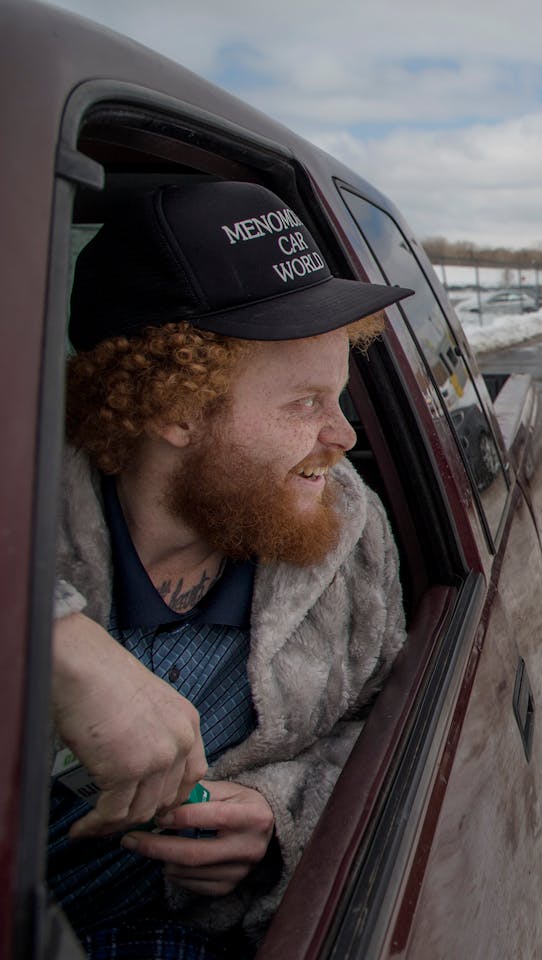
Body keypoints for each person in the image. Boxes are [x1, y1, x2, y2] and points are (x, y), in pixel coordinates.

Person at [50, 180, 412, 956]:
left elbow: (385, 731)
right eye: (304, 403)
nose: (343, 436)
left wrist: (279, 818)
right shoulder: (29, 514)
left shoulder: (348, 530)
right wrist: (50, 634)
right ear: (173, 407)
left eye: (340, 394)